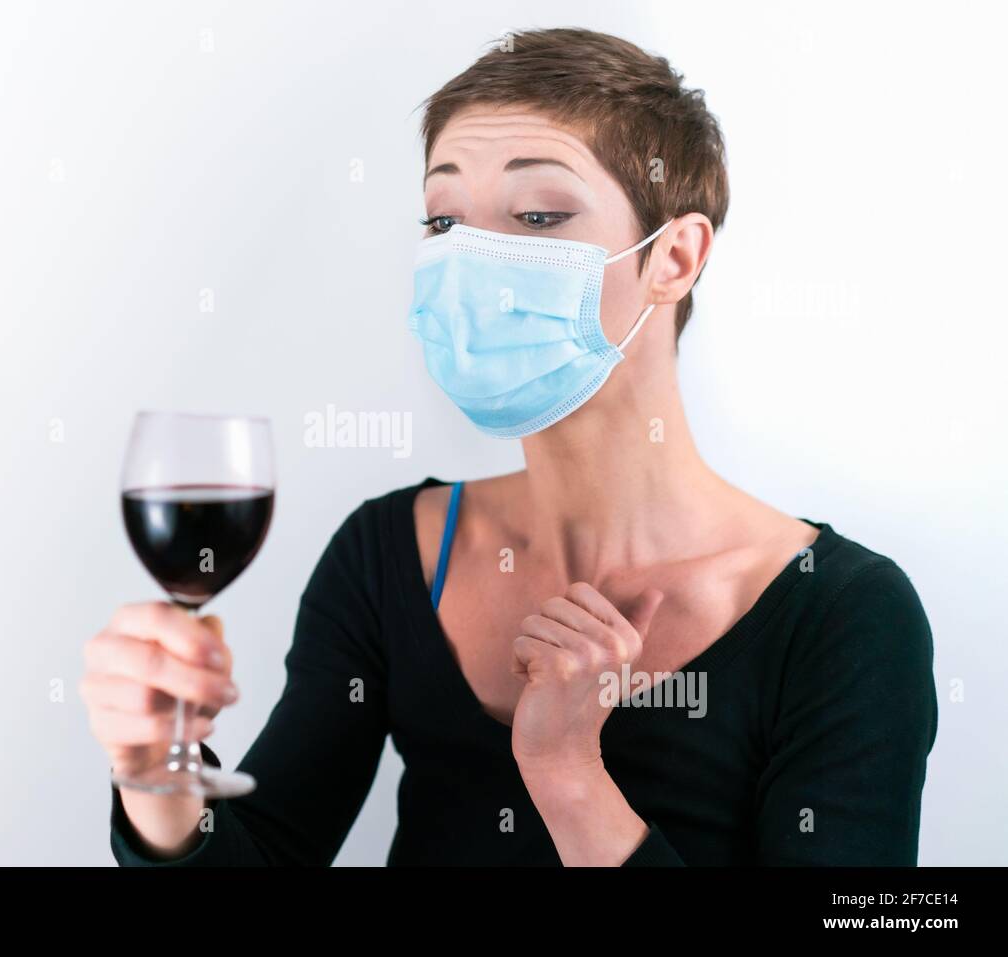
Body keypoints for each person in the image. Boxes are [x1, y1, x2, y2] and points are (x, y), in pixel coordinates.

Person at [81, 27, 937, 866]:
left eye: (536, 214)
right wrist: (155, 777)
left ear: (674, 256)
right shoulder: (388, 554)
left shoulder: (844, 614)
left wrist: (568, 773)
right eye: (444, 221)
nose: (474, 265)